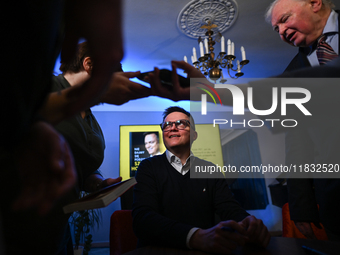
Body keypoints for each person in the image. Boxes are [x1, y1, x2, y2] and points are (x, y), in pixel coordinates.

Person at [132, 106, 270, 254]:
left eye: (181, 124)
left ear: (194, 135)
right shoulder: (147, 167)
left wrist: (248, 223)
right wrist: (195, 237)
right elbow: (143, 219)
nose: (172, 128)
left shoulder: (210, 170)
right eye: (167, 125)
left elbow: (230, 209)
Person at [265, 0, 340, 241]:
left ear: (315, 3)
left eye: (284, 20)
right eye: (277, 30)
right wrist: (301, 206)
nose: (282, 32)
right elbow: (297, 143)